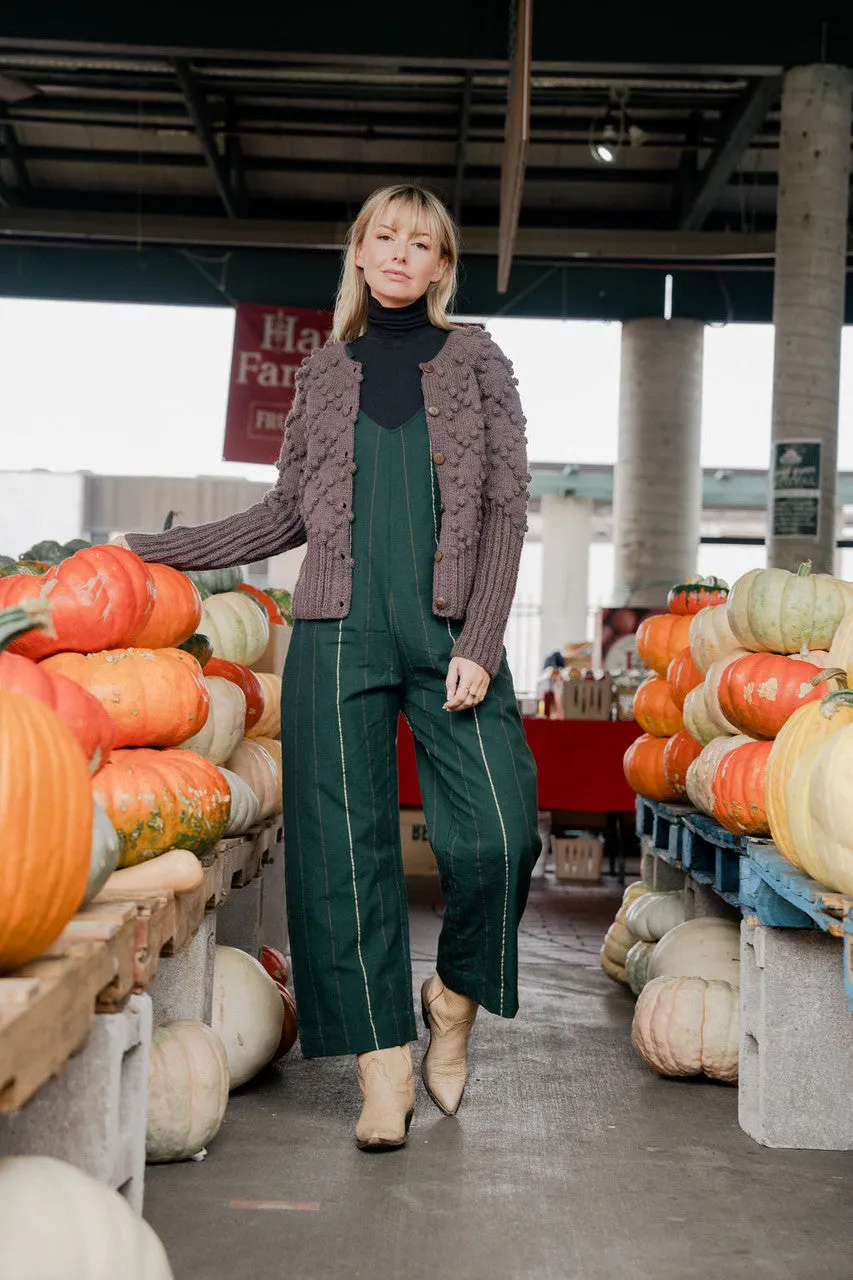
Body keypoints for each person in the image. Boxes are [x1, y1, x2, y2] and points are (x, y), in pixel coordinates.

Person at [120, 183, 541, 1152]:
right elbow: (285, 516)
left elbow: (508, 513)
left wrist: (479, 642)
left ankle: (454, 995)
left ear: (441, 265)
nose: (399, 253)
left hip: (448, 634)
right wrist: (153, 549)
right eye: (382, 237)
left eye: (420, 242)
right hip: (337, 627)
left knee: (497, 836)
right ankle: (382, 1063)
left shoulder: (478, 363)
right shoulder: (323, 375)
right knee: (342, 855)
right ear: (358, 254)